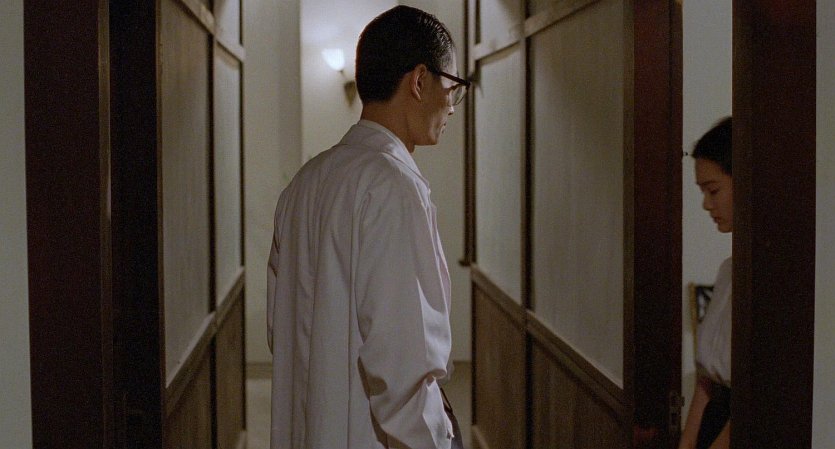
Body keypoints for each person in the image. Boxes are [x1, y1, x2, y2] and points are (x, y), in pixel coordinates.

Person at [266, 6, 469, 449]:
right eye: (452, 87)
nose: (452, 107)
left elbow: (280, 330)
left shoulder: (304, 183)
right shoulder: (393, 187)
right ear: (420, 81)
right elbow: (403, 365)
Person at [679, 117, 733, 449]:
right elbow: (707, 379)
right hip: (713, 422)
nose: (706, 204)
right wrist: (686, 443)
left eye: (713, 190)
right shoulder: (729, 271)